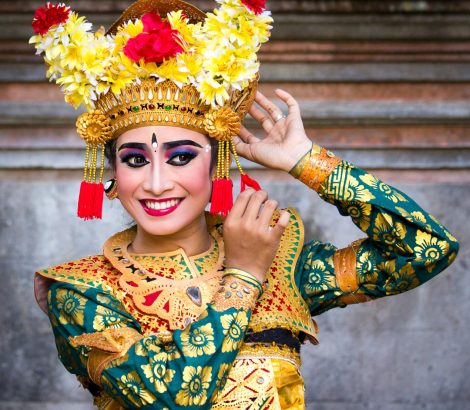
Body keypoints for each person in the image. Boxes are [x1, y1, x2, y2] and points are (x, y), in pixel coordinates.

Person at [31, 0, 459, 409]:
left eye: (181, 157)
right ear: (112, 174)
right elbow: (171, 399)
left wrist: (306, 162)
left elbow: (427, 249)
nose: (157, 183)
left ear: (218, 163)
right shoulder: (84, 291)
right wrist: (242, 277)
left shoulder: (281, 265)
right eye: (136, 160)